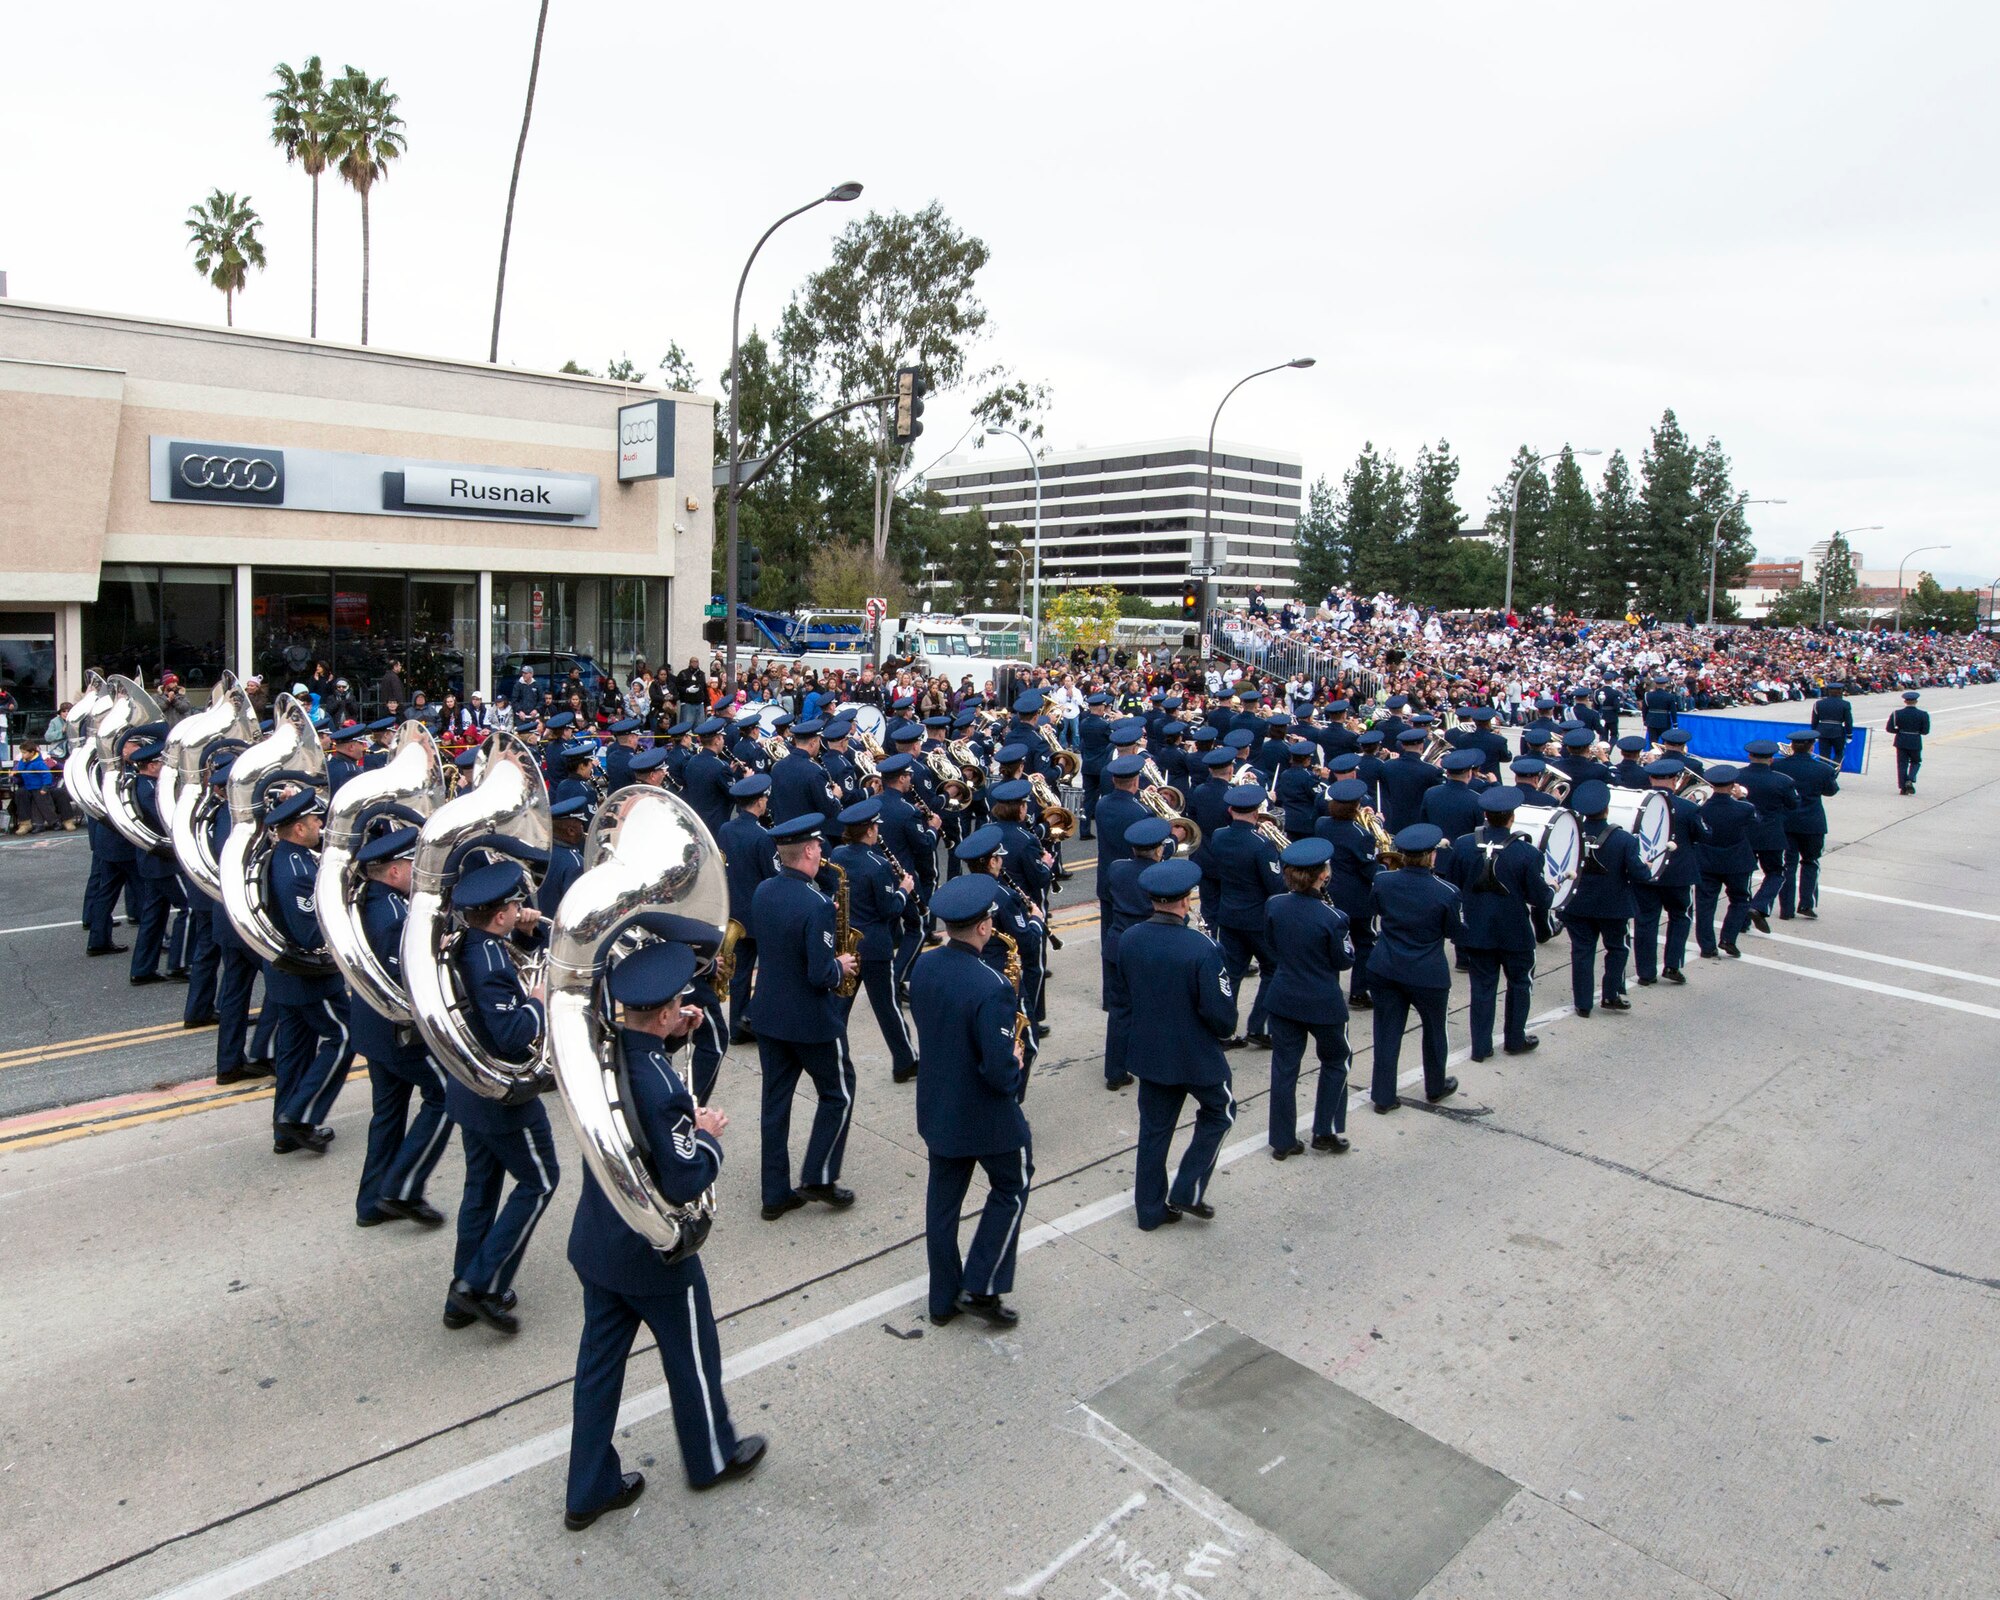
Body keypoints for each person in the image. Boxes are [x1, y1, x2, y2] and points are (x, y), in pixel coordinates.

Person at [564, 940, 764, 1529]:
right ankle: (711, 1456)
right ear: (663, 1011)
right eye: (679, 1004)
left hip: (597, 1240)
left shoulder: (604, 1050)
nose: (686, 1009)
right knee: (694, 1356)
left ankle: (587, 1488)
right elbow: (681, 1178)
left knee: (598, 1371)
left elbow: (638, 1076)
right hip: (651, 1256)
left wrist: (671, 1036)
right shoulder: (666, 1090)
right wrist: (707, 1135)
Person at [444, 858, 561, 1334]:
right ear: (498, 915)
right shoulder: (489, 961)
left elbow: (504, 960)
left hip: (469, 1092)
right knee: (540, 1180)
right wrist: (539, 1000)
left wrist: (526, 932)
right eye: (516, 905)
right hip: (500, 1098)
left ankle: (461, 1292)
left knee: (482, 1189)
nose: (522, 909)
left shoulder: (475, 943)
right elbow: (512, 1032)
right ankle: (482, 1285)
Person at [910, 874, 1032, 1328]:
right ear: (983, 927)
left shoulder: (924, 966)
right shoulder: (991, 985)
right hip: (986, 1117)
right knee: (1013, 1185)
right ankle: (982, 1284)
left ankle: (942, 1300)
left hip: (939, 1108)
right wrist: (1015, 1058)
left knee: (942, 1207)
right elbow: (999, 1072)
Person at [749, 813, 862, 1221]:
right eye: (818, 847)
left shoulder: (763, 891)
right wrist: (842, 965)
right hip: (811, 1022)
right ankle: (819, 1174)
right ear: (811, 851)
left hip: (768, 1014)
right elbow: (820, 975)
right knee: (839, 1092)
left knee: (775, 1105)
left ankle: (774, 1194)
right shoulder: (817, 906)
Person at [1118, 858, 1238, 1230]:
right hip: (1195, 1053)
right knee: (1221, 1111)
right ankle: (1189, 1186)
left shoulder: (1130, 938)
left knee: (1154, 1129)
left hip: (1149, 1049)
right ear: (1185, 900)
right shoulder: (1201, 948)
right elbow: (1222, 1016)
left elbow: (1125, 993)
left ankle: (1150, 1210)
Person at [350, 826, 453, 1230]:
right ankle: (403, 1187)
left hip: (372, 1028)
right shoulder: (394, 916)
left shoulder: (370, 899)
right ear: (394, 872)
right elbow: (407, 979)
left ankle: (372, 1201)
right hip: (397, 1031)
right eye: (412, 865)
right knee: (445, 1093)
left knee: (388, 1113)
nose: (418, 871)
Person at [263, 787, 352, 1153]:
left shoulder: (289, 856)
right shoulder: (296, 868)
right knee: (346, 1036)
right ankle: (300, 1117)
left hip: (286, 978)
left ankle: (285, 1133)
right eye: (315, 821)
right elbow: (310, 931)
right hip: (309, 978)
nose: (320, 826)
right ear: (299, 828)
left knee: (294, 1052)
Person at [1443, 786, 1551, 1060]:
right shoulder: (1527, 853)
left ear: (1486, 816)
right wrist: (1552, 889)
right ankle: (1515, 1039)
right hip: (1514, 932)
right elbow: (1540, 898)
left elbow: (1453, 886)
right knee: (1520, 984)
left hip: (1477, 931)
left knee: (1482, 988)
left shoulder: (1465, 844)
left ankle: (1481, 1047)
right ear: (1511, 818)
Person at [1261, 838, 1354, 1157]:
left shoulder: (1274, 904)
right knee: (1337, 1060)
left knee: (1284, 1068)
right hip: (1322, 1002)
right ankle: (1325, 1130)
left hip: (1284, 996)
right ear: (1322, 875)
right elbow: (1344, 959)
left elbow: (1272, 943)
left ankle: (1282, 1140)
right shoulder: (1334, 917)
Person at [1366, 823, 1464, 1111]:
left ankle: (1383, 1096)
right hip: (1426, 972)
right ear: (1432, 856)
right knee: (1435, 1032)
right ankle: (1435, 1086)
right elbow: (1454, 932)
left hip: (1386, 966)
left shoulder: (1384, 881)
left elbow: (1377, 910)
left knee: (1386, 1032)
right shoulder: (1446, 891)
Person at [829, 798, 919, 1084]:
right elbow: (889, 910)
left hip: (847, 943)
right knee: (887, 1006)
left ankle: (832, 1057)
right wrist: (904, 889)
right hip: (875, 946)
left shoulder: (838, 854)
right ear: (869, 831)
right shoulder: (878, 865)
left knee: (840, 1006)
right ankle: (904, 1060)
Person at [1562, 780, 1654, 1016]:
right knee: (1618, 949)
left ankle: (1583, 1003)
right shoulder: (1625, 840)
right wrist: (1646, 867)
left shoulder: (1570, 835)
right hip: (1614, 906)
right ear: (1607, 809)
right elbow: (1640, 875)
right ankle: (1610, 994)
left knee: (1582, 951)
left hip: (1577, 903)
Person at [1208, 781, 1284, 1048]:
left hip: (1229, 914)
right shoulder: (1262, 844)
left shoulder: (1219, 836)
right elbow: (1276, 886)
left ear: (1230, 810)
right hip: (1257, 919)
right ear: (1257, 811)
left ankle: (1225, 1030)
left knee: (1230, 975)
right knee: (1273, 969)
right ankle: (1258, 1026)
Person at [1099, 816, 1172, 1091]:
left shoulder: (1117, 868)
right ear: (1158, 850)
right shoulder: (1160, 874)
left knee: (1120, 1010)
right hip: (1149, 947)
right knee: (1158, 1008)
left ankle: (1115, 1071)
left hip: (1118, 944)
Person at [717, 775, 779, 1044]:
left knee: (739, 974)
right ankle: (751, 1017)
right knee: (770, 970)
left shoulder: (725, 830)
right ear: (759, 801)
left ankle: (735, 1029)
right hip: (760, 914)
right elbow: (773, 877)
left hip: (735, 912)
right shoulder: (763, 837)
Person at [1632, 760, 1703, 986]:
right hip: (1678, 875)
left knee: (1645, 921)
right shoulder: (1689, 807)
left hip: (1646, 871)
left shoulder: (1637, 804)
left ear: (1651, 779)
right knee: (1680, 917)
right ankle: (1672, 964)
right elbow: (1702, 836)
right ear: (1675, 780)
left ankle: (1645, 972)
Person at [1693, 764, 1757, 959]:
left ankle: (1707, 946)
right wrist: (1743, 797)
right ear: (1732, 786)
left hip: (1707, 862)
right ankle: (1728, 938)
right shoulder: (1744, 808)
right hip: (1736, 862)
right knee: (1740, 900)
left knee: (1705, 904)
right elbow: (1756, 823)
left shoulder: (1700, 809)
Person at [1774, 728, 1839, 919]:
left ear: (1792, 746)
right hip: (1812, 822)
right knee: (1810, 862)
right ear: (1812, 746)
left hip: (1786, 821)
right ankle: (1806, 903)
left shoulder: (1779, 766)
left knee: (1788, 865)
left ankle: (1786, 909)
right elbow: (1831, 791)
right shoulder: (1824, 769)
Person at [1734, 740, 1798, 930]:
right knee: (1776, 873)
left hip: (1745, 833)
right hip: (1771, 834)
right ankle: (1759, 905)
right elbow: (1793, 805)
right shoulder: (1783, 780)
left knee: (1744, 877)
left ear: (1749, 756)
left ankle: (1742, 921)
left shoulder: (1737, 776)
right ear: (1771, 759)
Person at [1886, 690, 1929, 795]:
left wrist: (1900, 732)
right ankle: (1910, 779)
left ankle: (1903, 787)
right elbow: (1925, 731)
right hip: (1915, 740)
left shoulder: (1897, 713)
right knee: (1915, 762)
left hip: (1901, 740)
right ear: (1916, 701)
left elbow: (1889, 728)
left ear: (1905, 701)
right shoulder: (1923, 714)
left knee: (1902, 764)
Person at [1812, 682, 1854, 765]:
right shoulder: (1845, 704)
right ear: (1840, 691)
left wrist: (1814, 733)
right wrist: (1849, 734)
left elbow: (1814, 720)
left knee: (1824, 756)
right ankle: (1833, 773)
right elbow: (1848, 721)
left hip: (1822, 731)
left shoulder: (1819, 703)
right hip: (1837, 731)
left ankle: (1825, 774)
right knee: (1839, 754)